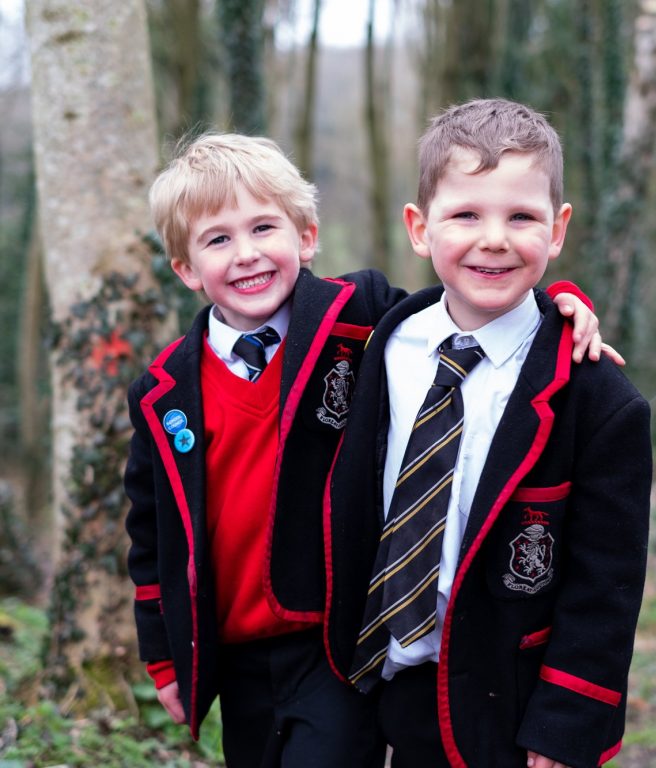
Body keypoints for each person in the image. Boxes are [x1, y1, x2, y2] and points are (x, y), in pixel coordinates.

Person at [123, 132, 610, 768]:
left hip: (335, 639)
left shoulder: (357, 318)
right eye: (218, 240)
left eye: (265, 229)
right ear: (186, 268)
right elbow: (150, 533)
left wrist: (564, 304)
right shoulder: (163, 391)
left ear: (305, 236)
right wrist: (165, 659)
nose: (246, 255)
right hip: (232, 649)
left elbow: (472, 298)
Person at [325, 98, 652, 768]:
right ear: (419, 228)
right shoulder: (380, 341)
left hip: (508, 696)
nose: (494, 239)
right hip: (378, 675)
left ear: (558, 230)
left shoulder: (598, 398)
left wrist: (565, 726)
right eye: (466, 214)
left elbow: (607, 587)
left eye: (522, 217)